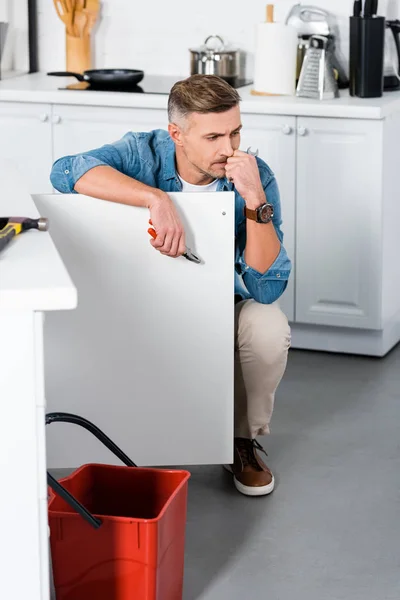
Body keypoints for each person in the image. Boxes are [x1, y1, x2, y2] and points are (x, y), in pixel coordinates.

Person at [50, 74, 292, 497]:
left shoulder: (255, 175)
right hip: (136, 300)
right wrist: (155, 199)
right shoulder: (142, 152)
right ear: (177, 134)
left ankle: (239, 441)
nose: (229, 149)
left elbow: (267, 288)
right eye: (214, 136)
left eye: (235, 132)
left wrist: (255, 201)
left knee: (267, 325)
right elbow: (65, 171)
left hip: (217, 302)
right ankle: (127, 436)